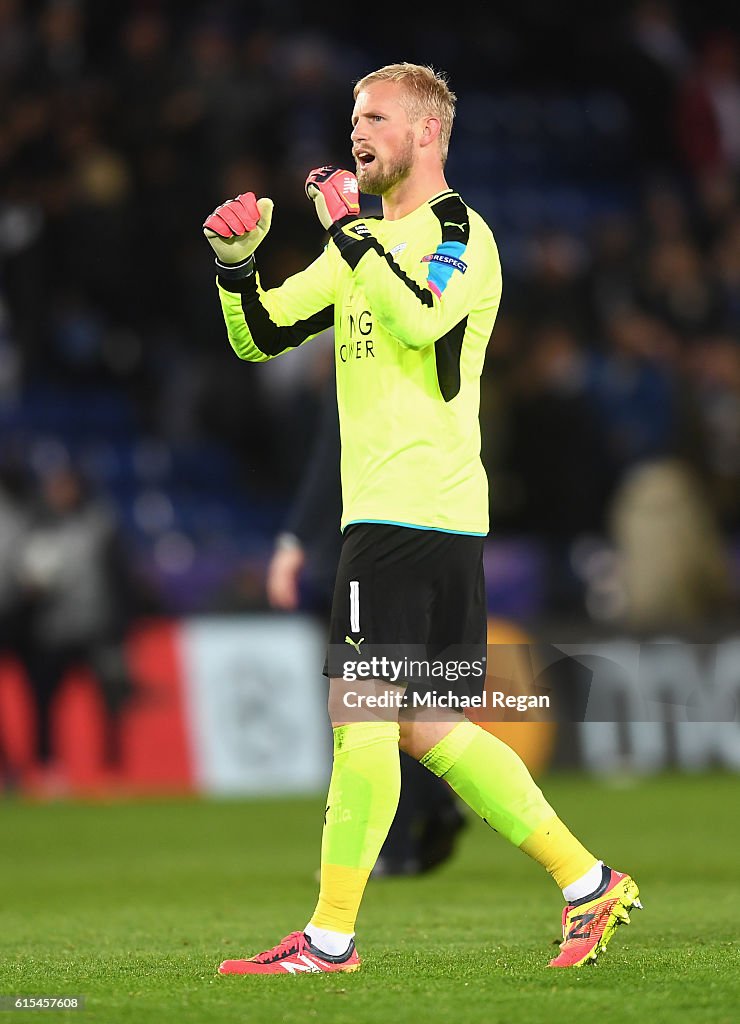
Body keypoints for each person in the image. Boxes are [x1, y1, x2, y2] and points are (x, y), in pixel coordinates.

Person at [203, 62, 641, 974]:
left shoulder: (458, 233)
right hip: (417, 518)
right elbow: (261, 334)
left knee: (362, 719)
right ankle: (585, 880)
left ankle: (328, 939)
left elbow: (421, 319)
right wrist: (235, 266)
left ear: (427, 134)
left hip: (410, 513)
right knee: (424, 727)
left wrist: (350, 231)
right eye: (351, 117)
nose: (354, 132)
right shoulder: (361, 240)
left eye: (375, 118)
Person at [266, 366, 467, 876]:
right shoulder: (426, 366)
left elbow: (327, 462)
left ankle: (392, 845)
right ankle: (436, 802)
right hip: (440, 540)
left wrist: (293, 542)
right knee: (404, 702)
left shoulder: (359, 371)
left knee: (365, 706)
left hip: (368, 555)